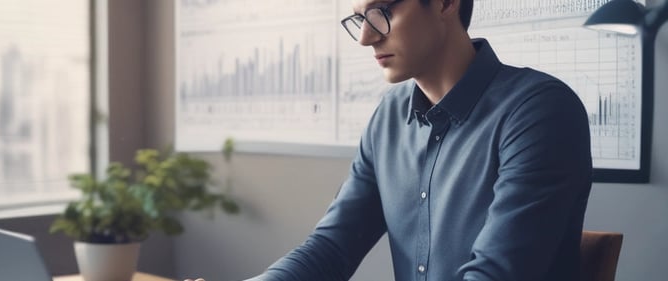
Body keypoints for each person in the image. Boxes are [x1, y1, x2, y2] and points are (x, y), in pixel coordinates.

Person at [187, 0, 592, 280]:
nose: (366, 37)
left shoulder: (540, 112)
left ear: (445, 4)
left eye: (381, 12)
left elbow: (496, 274)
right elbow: (331, 247)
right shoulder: (388, 116)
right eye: (358, 19)